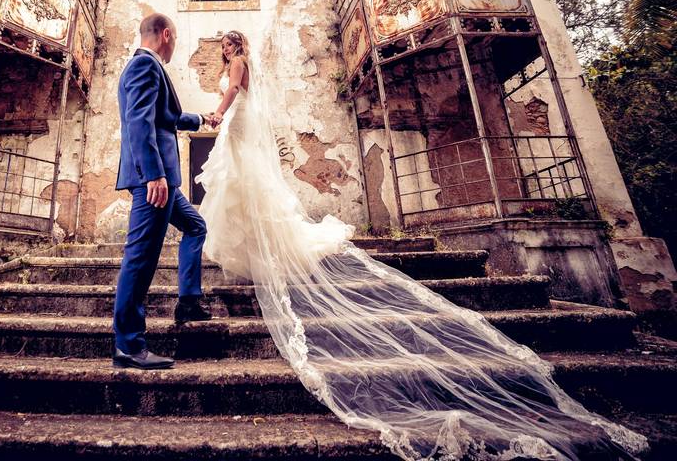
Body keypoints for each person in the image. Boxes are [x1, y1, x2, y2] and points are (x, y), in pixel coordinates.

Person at [195, 30, 647, 461]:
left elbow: (233, 93)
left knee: (244, 185)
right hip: (239, 127)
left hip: (237, 124)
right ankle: (261, 246)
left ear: (239, 45)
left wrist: (217, 112)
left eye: (233, 41)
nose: (230, 46)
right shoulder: (239, 63)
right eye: (228, 42)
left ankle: (268, 246)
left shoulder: (238, 63)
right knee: (243, 187)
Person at [112, 13, 215, 371]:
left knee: (195, 226)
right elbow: (139, 123)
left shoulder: (146, 68)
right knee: (140, 258)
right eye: (176, 40)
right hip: (154, 182)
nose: (175, 47)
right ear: (166, 35)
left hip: (164, 181)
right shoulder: (144, 66)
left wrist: (201, 119)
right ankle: (128, 346)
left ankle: (187, 302)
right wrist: (154, 174)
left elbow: (164, 118)